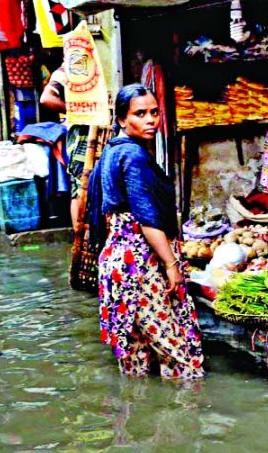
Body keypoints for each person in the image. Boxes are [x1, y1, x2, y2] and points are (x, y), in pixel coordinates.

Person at [90, 84, 204, 380]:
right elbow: (147, 219)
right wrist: (171, 264)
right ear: (122, 119)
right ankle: (188, 416)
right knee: (178, 357)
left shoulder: (110, 154)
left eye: (154, 112)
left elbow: (99, 213)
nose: (151, 119)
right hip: (140, 263)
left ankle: (135, 418)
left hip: (116, 261)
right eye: (140, 114)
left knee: (135, 355)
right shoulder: (134, 156)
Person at [40, 65, 90, 232]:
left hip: (89, 136)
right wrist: (81, 112)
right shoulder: (66, 71)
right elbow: (47, 98)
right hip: (81, 138)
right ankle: (81, 240)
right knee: (81, 187)